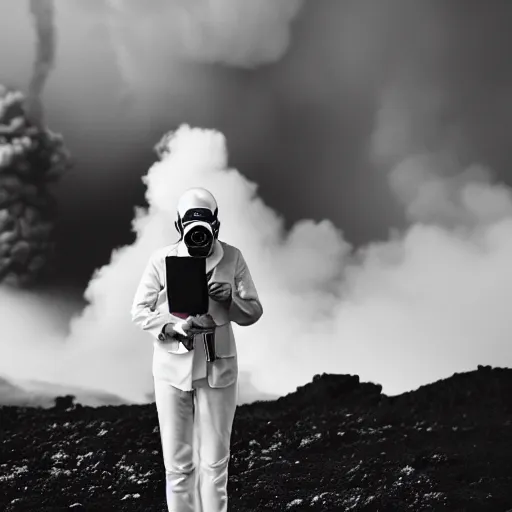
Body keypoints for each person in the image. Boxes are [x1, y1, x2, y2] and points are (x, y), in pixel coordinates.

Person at [131, 187, 263, 512]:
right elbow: (139, 311)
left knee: (216, 464)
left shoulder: (232, 257)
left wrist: (229, 300)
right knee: (177, 466)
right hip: (172, 367)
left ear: (216, 225)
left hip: (218, 367)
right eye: (191, 229)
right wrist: (174, 327)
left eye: (205, 228)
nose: (199, 237)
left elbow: (254, 311)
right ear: (179, 227)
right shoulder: (161, 259)